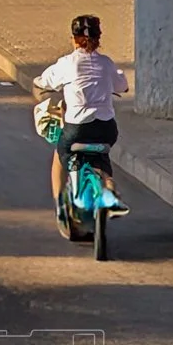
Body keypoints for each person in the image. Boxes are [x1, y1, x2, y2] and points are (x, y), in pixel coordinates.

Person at [34, 13, 130, 211]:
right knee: (102, 158)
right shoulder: (106, 63)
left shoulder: (67, 63)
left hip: (77, 129)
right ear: (98, 39)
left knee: (61, 153)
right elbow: (122, 85)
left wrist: (39, 86)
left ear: (74, 39)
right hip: (106, 129)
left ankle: (60, 206)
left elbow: (44, 81)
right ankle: (110, 191)